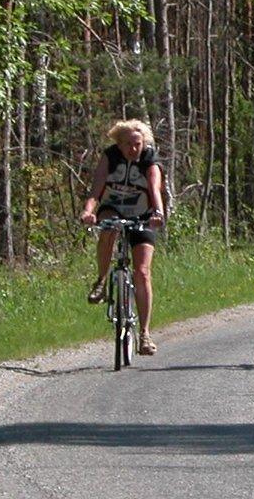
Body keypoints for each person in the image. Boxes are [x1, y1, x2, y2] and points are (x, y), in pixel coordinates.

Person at [77, 119, 167, 355]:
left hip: (143, 212)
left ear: (143, 143)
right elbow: (96, 188)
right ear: (119, 143)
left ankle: (145, 334)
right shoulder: (110, 156)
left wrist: (158, 213)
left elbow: (154, 187)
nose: (132, 148)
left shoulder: (149, 159)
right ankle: (102, 280)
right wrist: (88, 211)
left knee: (143, 272)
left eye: (137, 143)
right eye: (127, 144)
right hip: (113, 208)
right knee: (108, 229)